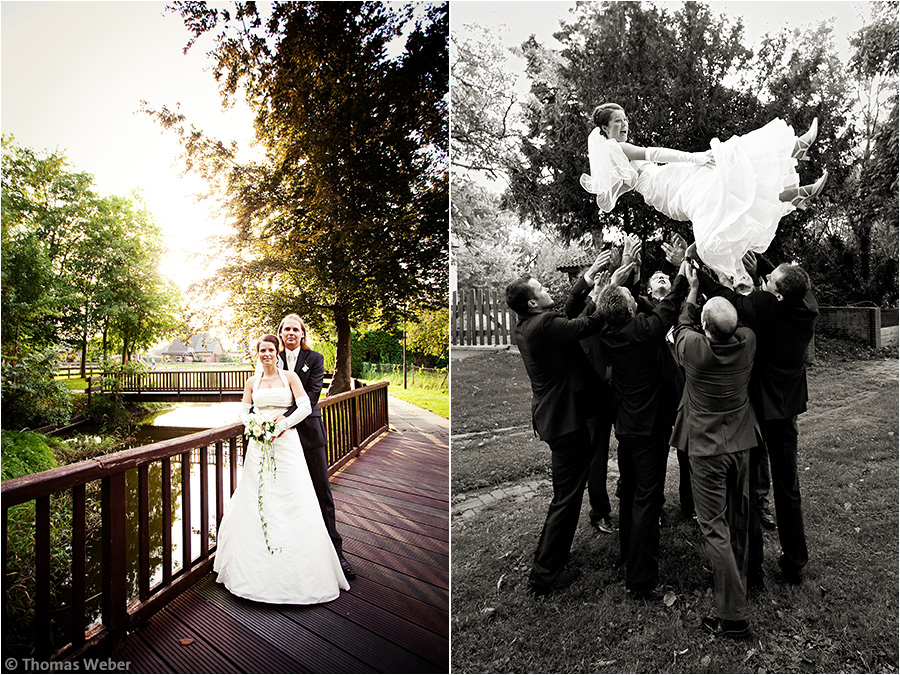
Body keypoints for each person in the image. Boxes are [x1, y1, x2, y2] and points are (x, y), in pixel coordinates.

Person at [580, 102, 828, 287]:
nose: (624, 125)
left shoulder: (610, 158)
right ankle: (794, 150)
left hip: (664, 191)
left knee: (726, 183)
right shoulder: (617, 148)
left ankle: (792, 192)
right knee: (725, 162)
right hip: (665, 184)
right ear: (604, 127)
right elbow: (654, 153)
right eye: (617, 122)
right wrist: (694, 157)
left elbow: (613, 193)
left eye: (625, 119)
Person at [695, 251, 818, 586]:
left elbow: (727, 298)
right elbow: (786, 276)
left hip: (758, 411)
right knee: (788, 487)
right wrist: (760, 257)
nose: (768, 276)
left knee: (747, 488)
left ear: (775, 295)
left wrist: (696, 272)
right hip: (788, 408)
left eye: (771, 279)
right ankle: (795, 562)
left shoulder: (763, 308)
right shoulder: (807, 304)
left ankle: (752, 572)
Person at [506, 270, 627, 596]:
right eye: (541, 289)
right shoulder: (544, 326)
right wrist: (610, 289)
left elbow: (569, 313)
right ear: (532, 302)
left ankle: (549, 560)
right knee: (566, 499)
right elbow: (587, 324)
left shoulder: (527, 324)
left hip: (556, 420)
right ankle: (544, 575)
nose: (547, 290)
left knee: (566, 495)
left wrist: (588, 280)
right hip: (565, 422)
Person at [214, 334, 350, 603]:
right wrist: (254, 425)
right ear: (258, 353)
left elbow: (304, 406)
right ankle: (251, 568)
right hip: (259, 446)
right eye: (262, 350)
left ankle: (299, 569)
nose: (266, 354)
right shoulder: (252, 382)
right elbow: (243, 412)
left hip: (287, 444)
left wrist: (282, 425)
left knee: (292, 498)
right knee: (257, 499)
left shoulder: (290, 377)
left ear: (277, 352)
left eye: (270, 350)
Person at [670, 266, 759, 639]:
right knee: (739, 516)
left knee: (714, 528)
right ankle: (743, 578)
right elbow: (731, 320)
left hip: (706, 449)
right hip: (741, 443)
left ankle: (733, 616)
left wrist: (692, 289)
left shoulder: (694, 349)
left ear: (706, 328)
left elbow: (681, 325)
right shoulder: (748, 341)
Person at [595, 255, 688, 600]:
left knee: (629, 491)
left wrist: (626, 273)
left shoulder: (607, 330)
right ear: (630, 309)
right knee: (647, 499)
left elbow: (639, 304)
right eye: (634, 299)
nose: (637, 300)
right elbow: (673, 301)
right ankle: (641, 579)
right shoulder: (647, 331)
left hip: (626, 425)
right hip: (649, 428)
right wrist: (684, 266)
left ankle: (627, 553)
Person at [277, 313, 356, 580]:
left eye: (295, 329)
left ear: (302, 334)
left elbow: (311, 397)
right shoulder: (270, 358)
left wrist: (283, 420)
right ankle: (288, 554)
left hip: (309, 435)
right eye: (286, 329)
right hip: (279, 441)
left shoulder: (315, 359)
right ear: (280, 333)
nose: (290, 333)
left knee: (322, 493)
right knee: (284, 496)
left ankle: (337, 554)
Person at [563, 250, 618, 535]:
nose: (599, 285)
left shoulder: (609, 311)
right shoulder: (572, 319)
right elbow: (572, 306)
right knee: (596, 459)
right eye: (594, 283)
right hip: (591, 401)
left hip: (617, 395)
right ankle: (600, 512)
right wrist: (590, 283)